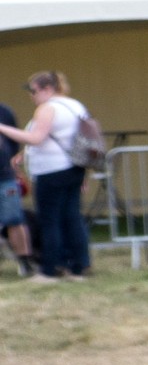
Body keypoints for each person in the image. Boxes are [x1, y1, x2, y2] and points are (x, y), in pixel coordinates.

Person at [0, 72, 96, 282]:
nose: (31, 96)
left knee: (49, 220)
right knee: (72, 217)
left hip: (51, 171)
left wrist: (2, 128)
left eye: (33, 91)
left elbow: (36, 138)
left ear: (47, 89)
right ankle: (79, 266)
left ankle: (50, 270)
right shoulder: (75, 106)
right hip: (74, 168)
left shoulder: (48, 108)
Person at [0, 95, 30, 277]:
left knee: (14, 219)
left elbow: (14, 141)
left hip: (4, 175)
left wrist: (11, 163)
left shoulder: (5, 111)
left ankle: (24, 262)